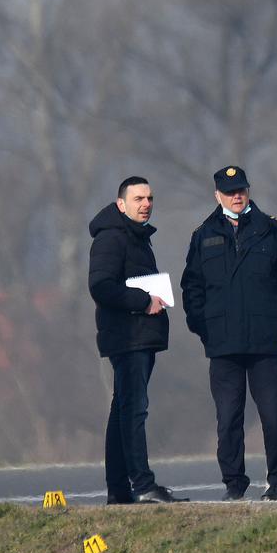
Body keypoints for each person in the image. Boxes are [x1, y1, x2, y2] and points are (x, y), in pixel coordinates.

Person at [181, 166, 277, 501]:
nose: (237, 196)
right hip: (223, 344)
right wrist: (202, 326)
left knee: (275, 416)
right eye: (231, 191)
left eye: (242, 189)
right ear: (217, 194)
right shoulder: (203, 234)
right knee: (229, 419)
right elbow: (192, 287)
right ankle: (234, 484)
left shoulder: (272, 230)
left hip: (265, 340)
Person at [88, 176, 187, 504]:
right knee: (133, 411)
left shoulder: (136, 237)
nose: (146, 204)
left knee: (122, 411)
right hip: (127, 338)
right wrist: (144, 300)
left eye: (149, 198)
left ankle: (119, 491)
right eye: (138, 199)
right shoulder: (112, 239)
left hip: (139, 338)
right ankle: (143, 485)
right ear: (121, 204)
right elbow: (101, 286)